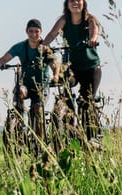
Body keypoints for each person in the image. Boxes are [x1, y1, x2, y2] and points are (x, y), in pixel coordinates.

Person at [42, 0, 103, 149]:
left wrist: (93, 39)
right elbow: (51, 34)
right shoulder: (64, 20)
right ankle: (65, 117)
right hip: (72, 67)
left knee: (85, 101)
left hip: (91, 68)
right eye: (72, 0)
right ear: (67, 4)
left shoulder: (89, 19)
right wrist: (43, 46)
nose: (75, 3)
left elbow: (94, 31)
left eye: (78, 0)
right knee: (65, 84)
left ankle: (92, 137)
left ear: (83, 3)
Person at [0, 19, 60, 140]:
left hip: (41, 86)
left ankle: (38, 141)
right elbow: (6, 57)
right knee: (19, 93)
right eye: (31, 31)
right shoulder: (20, 46)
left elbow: (54, 64)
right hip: (26, 84)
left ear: (41, 32)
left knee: (38, 109)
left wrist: (55, 75)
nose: (33, 34)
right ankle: (19, 126)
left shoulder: (45, 48)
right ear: (26, 32)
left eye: (36, 31)